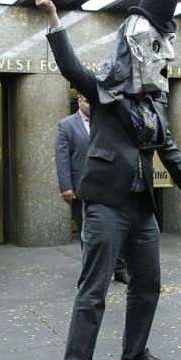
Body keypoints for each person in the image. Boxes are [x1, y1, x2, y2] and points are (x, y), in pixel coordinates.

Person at [37, 0, 181, 360]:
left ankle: (134, 353)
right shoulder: (104, 90)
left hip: (142, 205)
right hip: (105, 203)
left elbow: (168, 146)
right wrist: (52, 17)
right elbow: (70, 67)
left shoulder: (157, 100)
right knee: (93, 290)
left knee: (147, 284)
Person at [55, 94, 129, 285]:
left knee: (115, 229)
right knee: (87, 234)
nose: (91, 105)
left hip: (109, 186)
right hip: (82, 189)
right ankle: (91, 274)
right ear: (79, 100)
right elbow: (62, 158)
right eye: (87, 101)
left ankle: (120, 269)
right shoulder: (66, 125)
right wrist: (66, 187)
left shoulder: (106, 121)